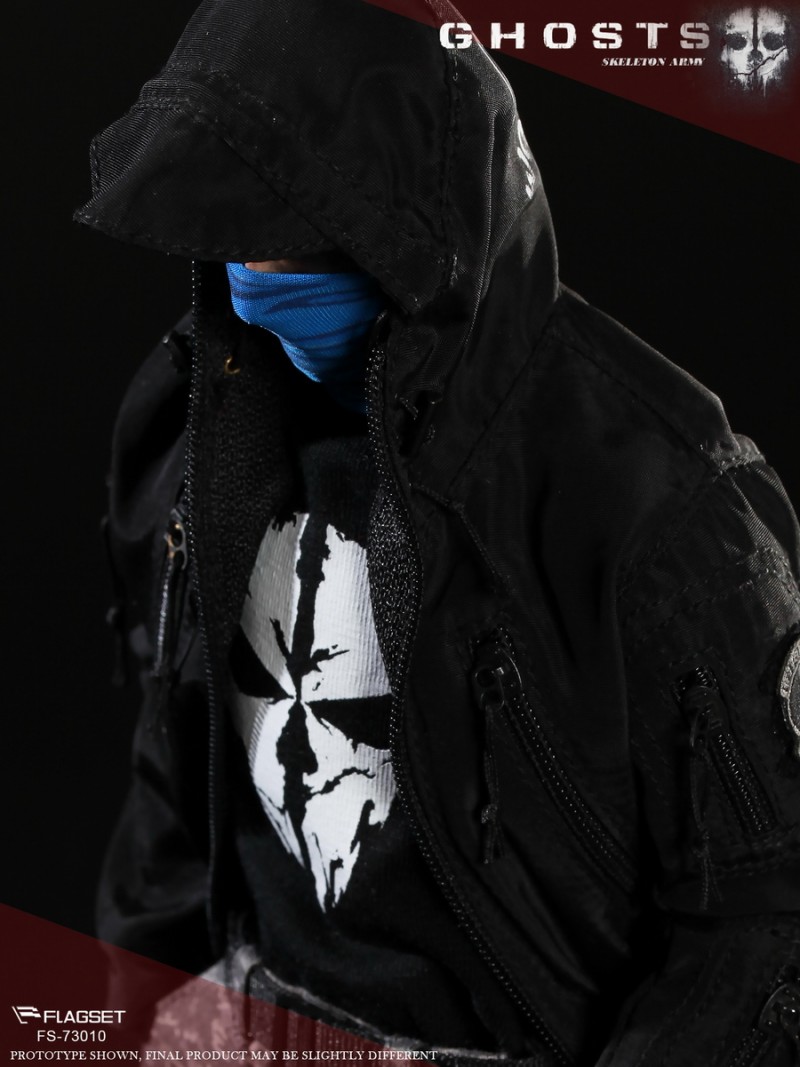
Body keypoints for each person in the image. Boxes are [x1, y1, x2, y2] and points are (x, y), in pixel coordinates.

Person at [75, 0, 800, 1064]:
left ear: (417, 227)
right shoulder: (197, 416)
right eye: (239, 230)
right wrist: (142, 1006)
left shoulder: (662, 503)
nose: (259, 278)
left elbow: (759, 918)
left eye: (305, 229)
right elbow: (173, 761)